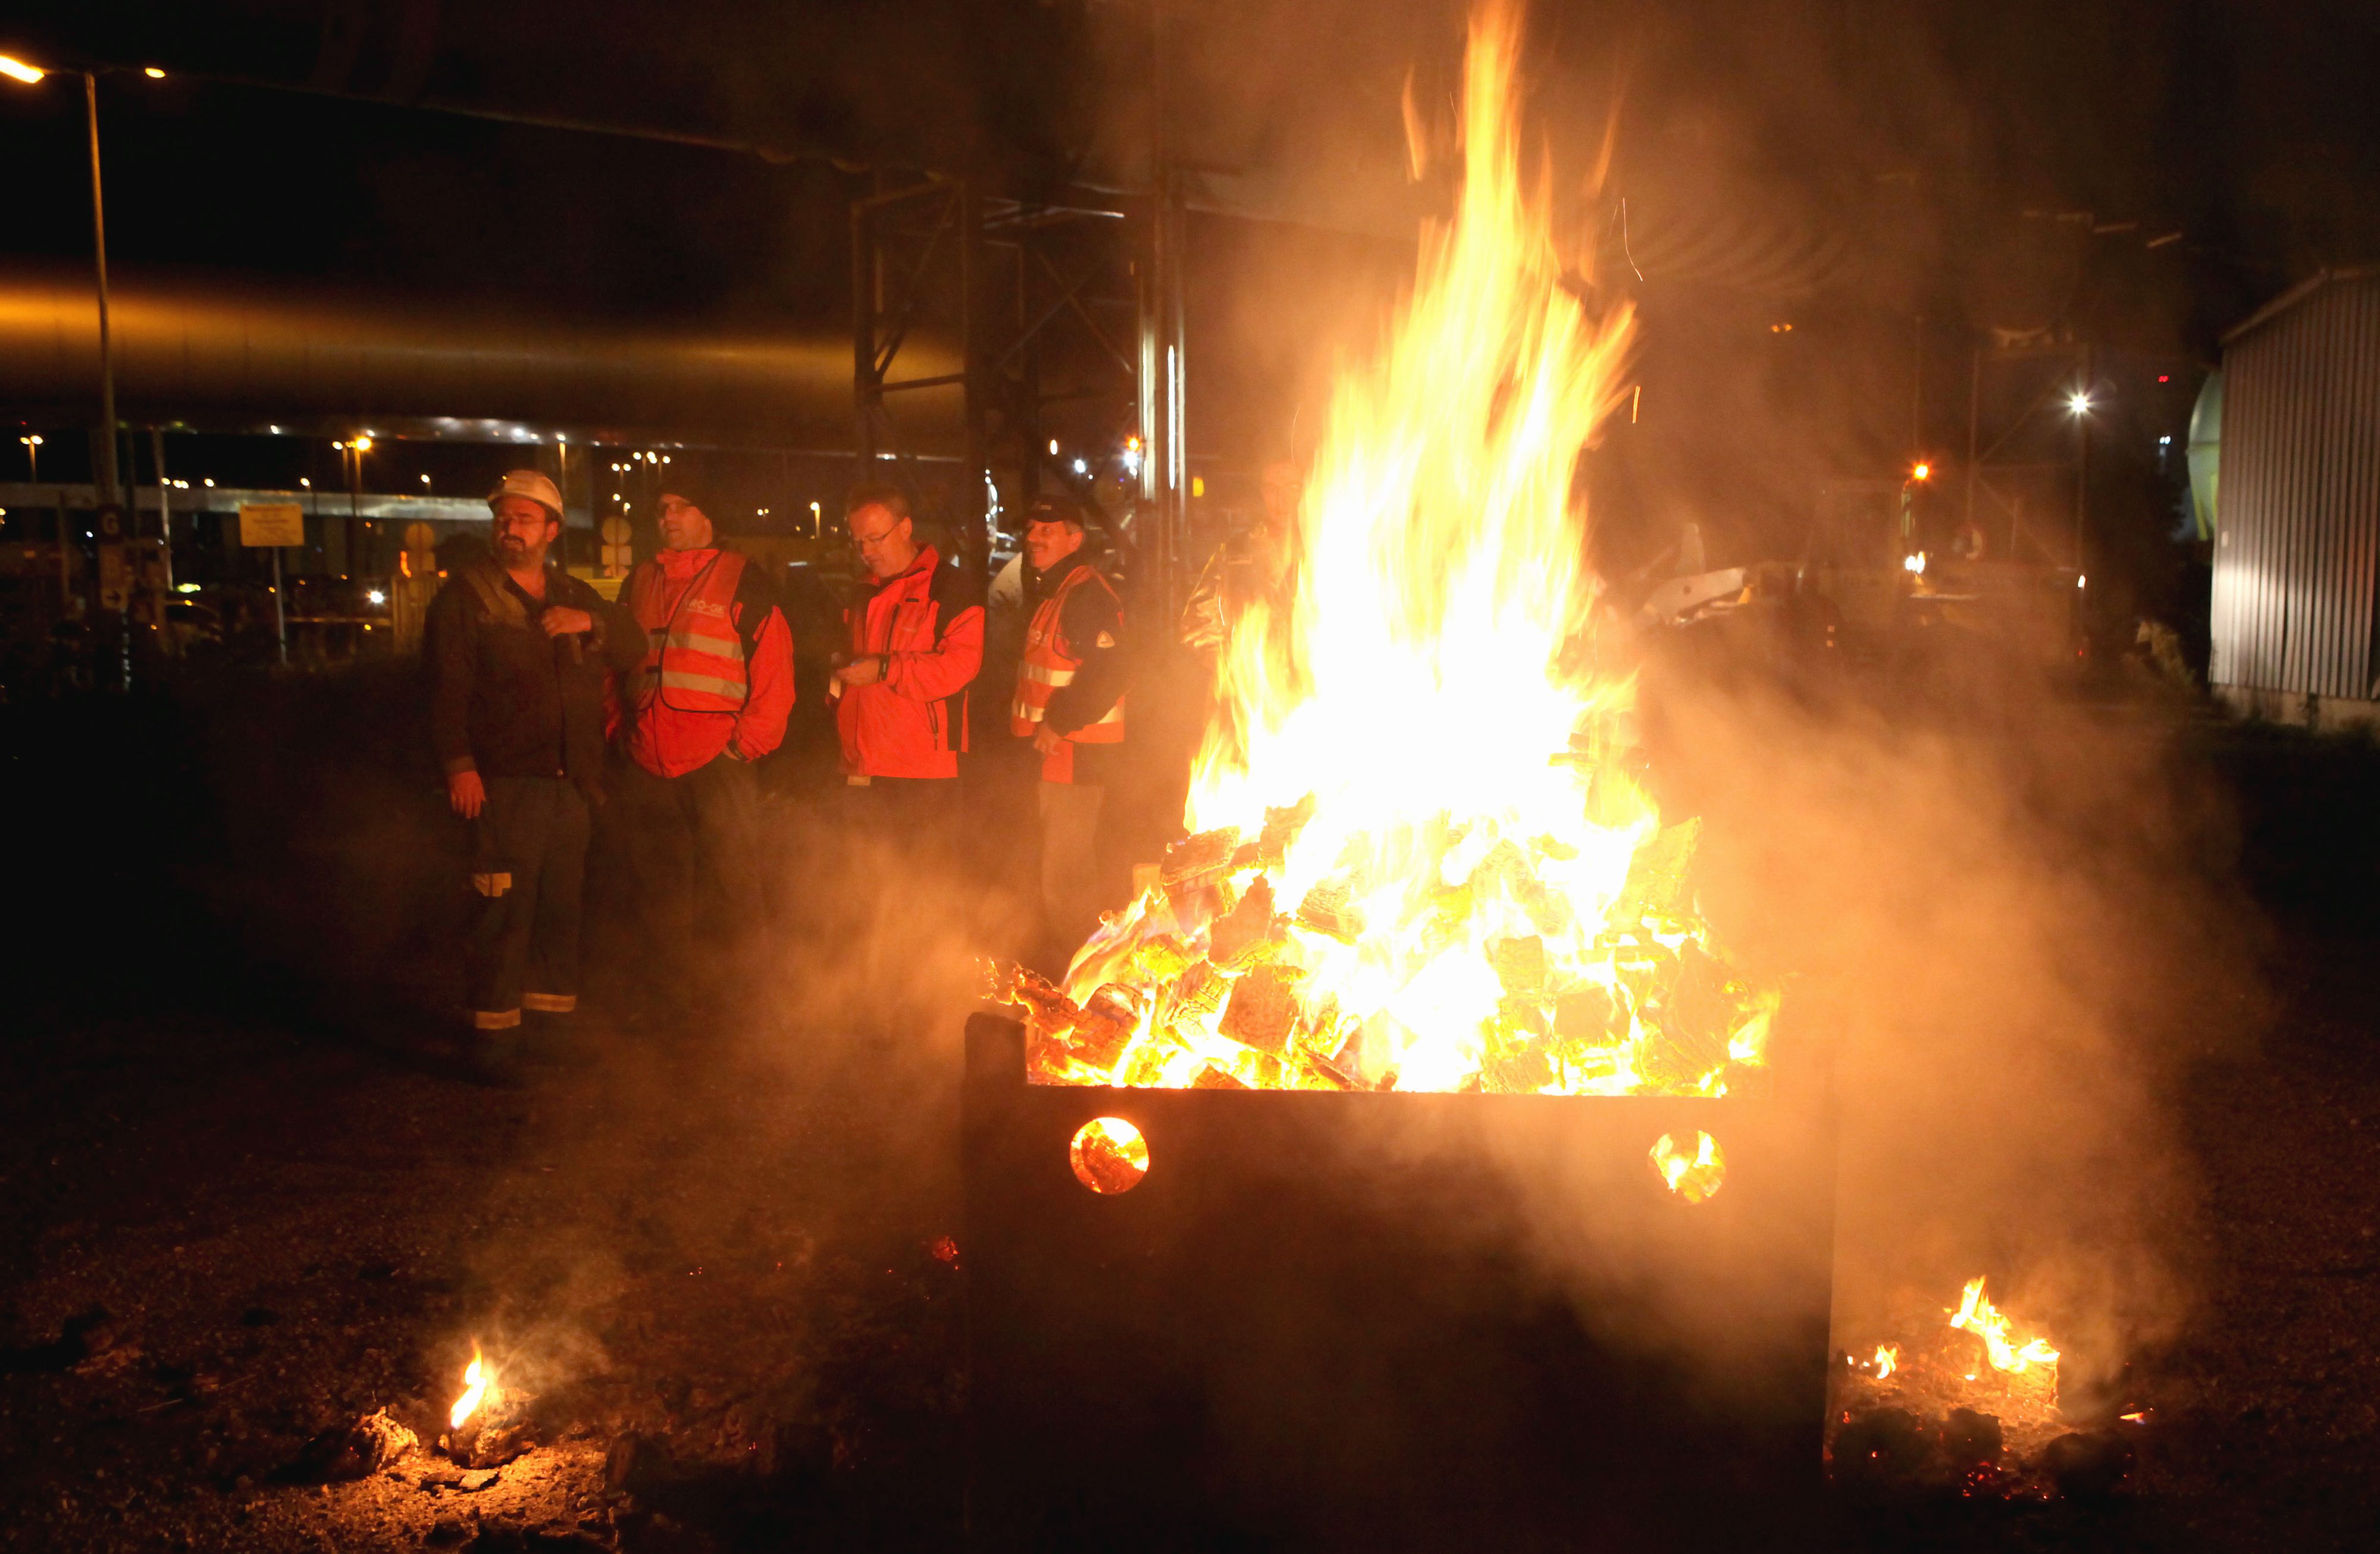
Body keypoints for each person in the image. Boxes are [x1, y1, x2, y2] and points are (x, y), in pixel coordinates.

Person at [425, 470, 641, 1078]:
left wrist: (588, 624)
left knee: (558, 909)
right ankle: (493, 1040)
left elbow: (632, 645)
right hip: (503, 784)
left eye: (523, 519)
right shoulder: (467, 599)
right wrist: (460, 766)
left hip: (568, 784)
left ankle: (550, 1031)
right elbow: (445, 691)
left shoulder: (573, 593)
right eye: (503, 518)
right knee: (500, 911)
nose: (509, 528)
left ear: (551, 529)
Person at [612, 487, 795, 1020]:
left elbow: (774, 669)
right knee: (658, 893)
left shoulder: (744, 577)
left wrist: (744, 747)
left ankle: (746, 1005)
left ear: (709, 515)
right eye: (662, 508)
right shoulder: (641, 579)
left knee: (733, 886)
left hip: (718, 760)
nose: (667, 516)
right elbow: (618, 662)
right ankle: (670, 1006)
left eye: (681, 506)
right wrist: (619, 731)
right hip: (649, 756)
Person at [1010, 493, 1128, 966]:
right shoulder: (1058, 590)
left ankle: (1082, 986)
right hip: (1054, 757)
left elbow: (1112, 670)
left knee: (1067, 880)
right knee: (1054, 874)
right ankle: (1069, 974)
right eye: (1032, 529)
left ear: (1075, 539)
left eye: (1048, 530)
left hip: (1075, 759)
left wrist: (1058, 723)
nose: (1033, 538)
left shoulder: (1087, 594)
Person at [832, 484, 984, 817]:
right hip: (862, 764)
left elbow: (960, 668)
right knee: (861, 868)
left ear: (905, 528)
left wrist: (885, 669)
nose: (866, 551)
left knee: (925, 871)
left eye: (876, 538)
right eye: (858, 541)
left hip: (925, 772)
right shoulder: (861, 589)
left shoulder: (949, 586)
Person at [1179, 458, 1300, 653]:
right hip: (1250, 676)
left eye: (1292, 487)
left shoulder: (1330, 551)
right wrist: (1233, 666)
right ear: (1262, 492)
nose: (1281, 498)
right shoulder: (1235, 553)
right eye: (1271, 488)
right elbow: (1196, 624)